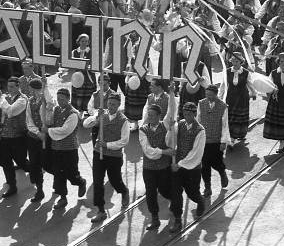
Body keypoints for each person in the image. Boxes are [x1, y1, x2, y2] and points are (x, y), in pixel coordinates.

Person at [83, 92, 130, 222]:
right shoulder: (102, 115)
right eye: (109, 104)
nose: (111, 107)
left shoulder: (123, 120)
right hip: (98, 153)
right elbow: (86, 124)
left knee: (115, 180)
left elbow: (124, 141)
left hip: (114, 156)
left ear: (119, 105)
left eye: (114, 104)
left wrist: (107, 145)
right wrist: (96, 117)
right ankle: (101, 210)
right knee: (98, 182)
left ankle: (124, 191)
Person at [43, 87, 86, 209]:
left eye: (62, 99)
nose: (60, 101)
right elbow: (49, 121)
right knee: (58, 172)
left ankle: (80, 182)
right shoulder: (56, 109)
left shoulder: (73, 114)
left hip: (69, 149)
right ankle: (63, 197)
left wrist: (49, 130)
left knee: (71, 174)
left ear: (68, 99)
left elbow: (65, 130)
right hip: (56, 148)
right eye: (58, 99)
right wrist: (47, 110)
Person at [139, 99, 176, 231]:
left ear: (159, 116)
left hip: (163, 167)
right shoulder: (143, 130)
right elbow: (148, 151)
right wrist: (164, 151)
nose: (150, 118)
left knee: (164, 190)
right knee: (150, 192)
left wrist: (172, 93)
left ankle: (174, 200)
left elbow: (172, 109)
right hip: (148, 168)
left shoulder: (165, 125)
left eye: (152, 115)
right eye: (148, 115)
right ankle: (154, 218)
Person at [169, 101, 206, 233]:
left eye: (190, 113)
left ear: (195, 114)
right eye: (185, 113)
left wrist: (179, 164)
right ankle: (177, 219)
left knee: (192, 193)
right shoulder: (180, 124)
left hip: (192, 168)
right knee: (176, 192)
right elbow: (172, 139)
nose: (187, 115)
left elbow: (195, 153)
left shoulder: (200, 131)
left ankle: (200, 201)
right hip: (178, 167)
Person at [197, 84, 230, 197]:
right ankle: (207, 187)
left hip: (217, 140)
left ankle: (222, 172)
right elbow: (198, 120)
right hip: (204, 140)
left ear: (216, 94)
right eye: (206, 94)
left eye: (210, 95)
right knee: (205, 165)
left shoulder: (223, 106)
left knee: (217, 162)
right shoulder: (201, 103)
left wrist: (224, 141)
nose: (208, 97)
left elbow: (225, 125)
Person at [225, 53, 255, 145]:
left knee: (241, 117)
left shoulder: (246, 72)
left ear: (241, 62)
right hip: (231, 97)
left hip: (242, 97)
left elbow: (250, 84)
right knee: (231, 117)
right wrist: (220, 96)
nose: (234, 63)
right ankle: (232, 136)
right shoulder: (227, 71)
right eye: (233, 61)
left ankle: (238, 135)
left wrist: (253, 93)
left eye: (237, 61)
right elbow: (224, 85)